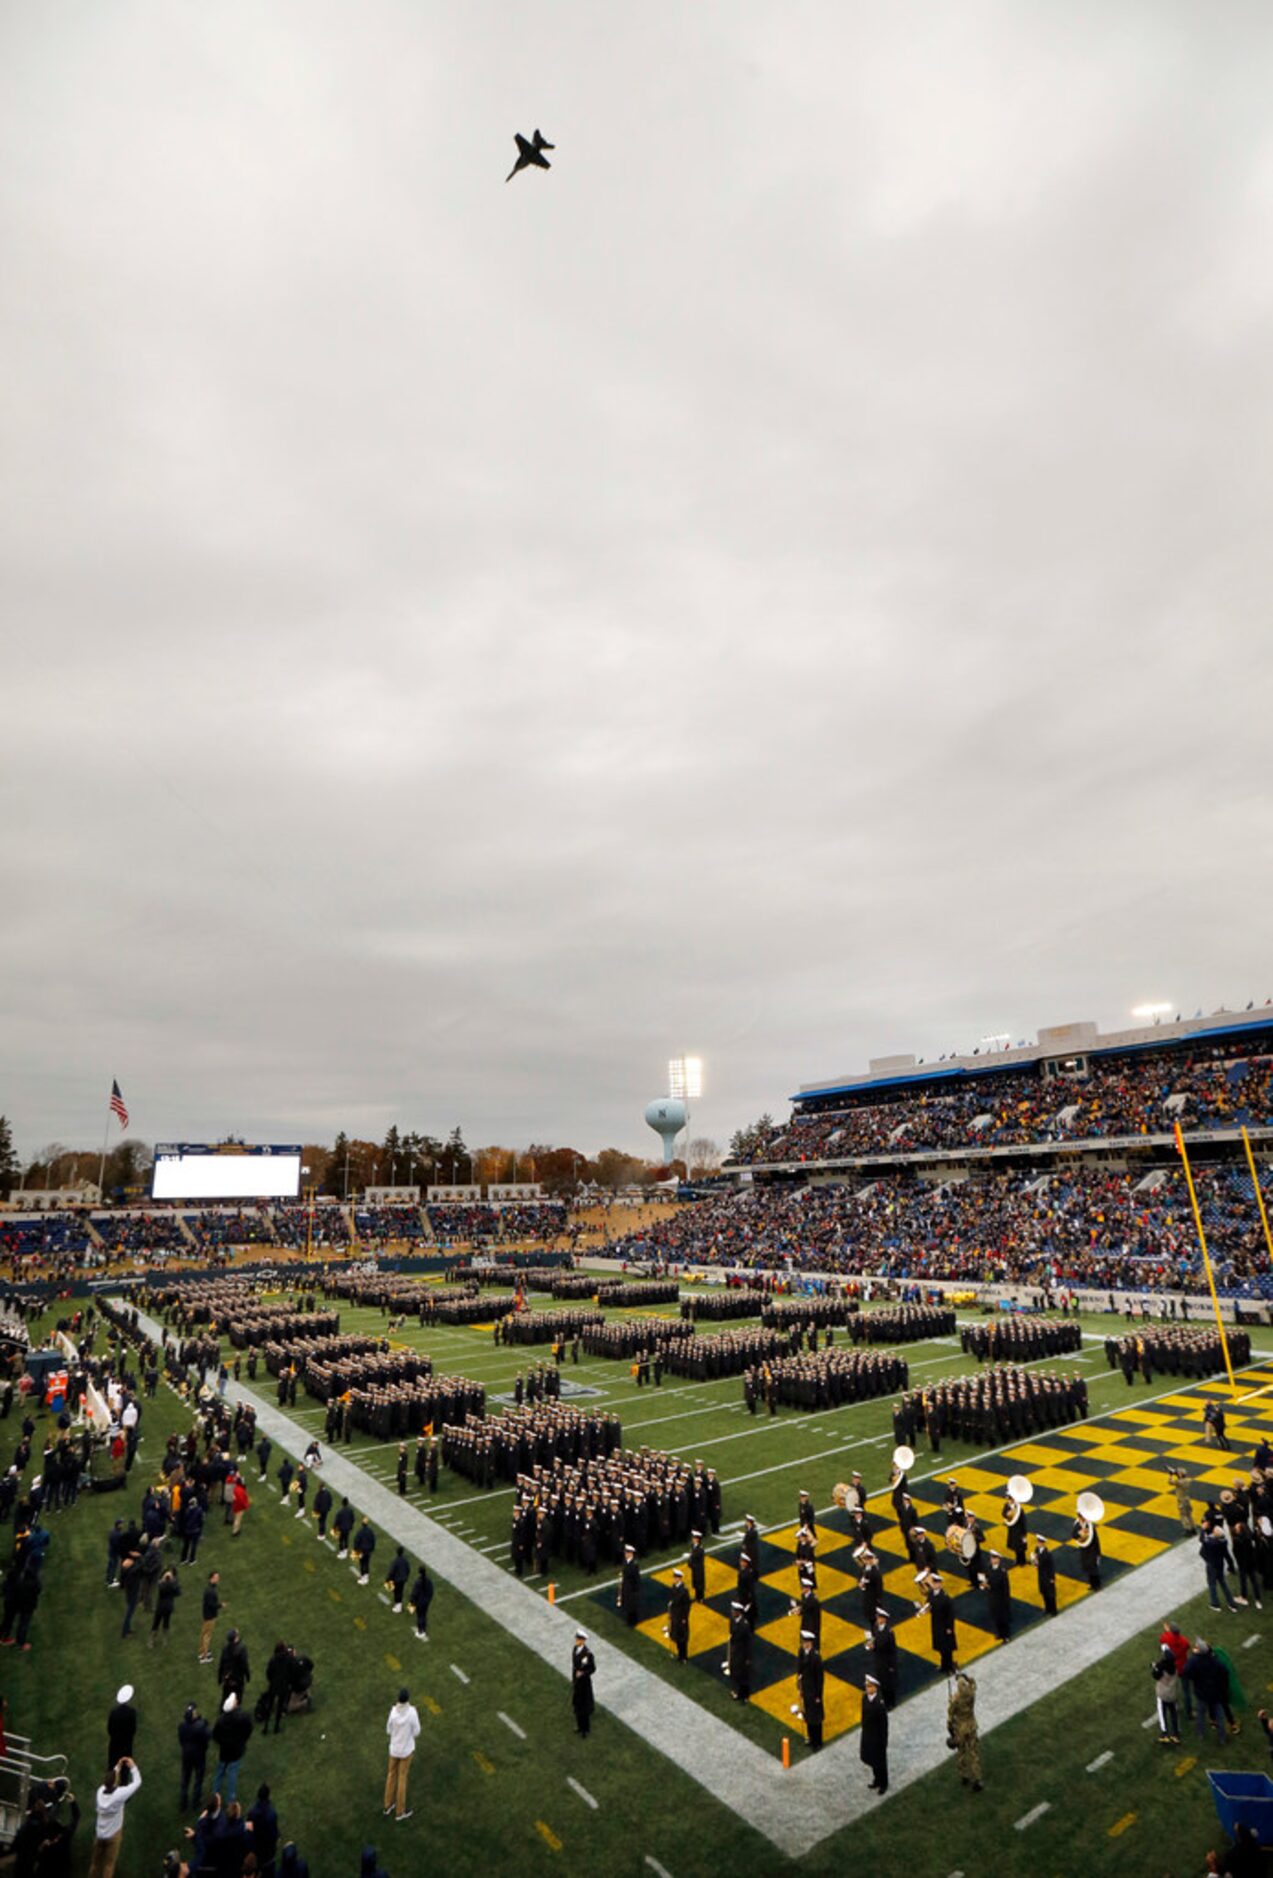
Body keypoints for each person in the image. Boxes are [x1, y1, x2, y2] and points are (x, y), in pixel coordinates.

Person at [88, 1758, 141, 1878]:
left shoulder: (100, 1792)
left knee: (95, 1864)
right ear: (115, 1782)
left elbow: (110, 1780)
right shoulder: (120, 1794)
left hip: (99, 1834)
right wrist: (133, 1767)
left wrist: (117, 1767)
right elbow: (137, 1782)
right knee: (109, 1865)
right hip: (113, 1835)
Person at [384, 1685, 420, 1822]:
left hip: (394, 1749)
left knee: (391, 1775)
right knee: (402, 1779)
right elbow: (417, 1731)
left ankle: (387, 1805)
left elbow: (388, 1730)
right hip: (406, 1750)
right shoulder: (412, 1712)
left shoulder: (393, 1712)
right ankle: (400, 1811)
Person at [211, 1692, 254, 1803]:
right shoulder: (242, 1717)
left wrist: (222, 1743)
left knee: (220, 1772)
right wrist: (243, 1740)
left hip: (224, 1751)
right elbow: (249, 1728)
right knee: (232, 1774)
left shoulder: (221, 1720)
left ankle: (215, 1795)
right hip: (236, 1751)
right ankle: (230, 1800)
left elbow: (215, 1736)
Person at [948, 1669, 982, 1789]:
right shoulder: (971, 1693)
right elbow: (973, 1683)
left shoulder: (955, 1699)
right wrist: (966, 1678)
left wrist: (951, 1732)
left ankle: (964, 1776)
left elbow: (950, 1717)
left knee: (961, 1752)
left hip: (960, 1728)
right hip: (971, 1725)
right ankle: (977, 1779)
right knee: (973, 1753)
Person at [178, 1703, 211, 1812]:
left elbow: (181, 1741)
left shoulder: (182, 1726)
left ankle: (183, 1804)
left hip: (186, 1755)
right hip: (199, 1756)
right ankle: (196, 1803)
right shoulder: (201, 1726)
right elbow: (208, 1736)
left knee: (185, 1781)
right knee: (198, 1780)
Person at [860, 1672, 889, 1793]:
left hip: (877, 1738)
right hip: (868, 1734)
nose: (867, 1688)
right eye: (866, 1686)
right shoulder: (865, 1698)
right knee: (872, 1759)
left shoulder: (879, 1703)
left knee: (880, 1762)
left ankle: (883, 1783)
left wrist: (883, 1741)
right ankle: (877, 1779)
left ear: (875, 1687)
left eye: (870, 1686)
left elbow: (884, 1725)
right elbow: (863, 1715)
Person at [796, 1631, 824, 1751]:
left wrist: (818, 1695)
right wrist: (799, 1687)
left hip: (814, 1692)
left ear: (811, 1643)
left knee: (815, 1718)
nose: (804, 1644)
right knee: (808, 1715)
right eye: (803, 1642)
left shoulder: (816, 1657)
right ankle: (811, 1738)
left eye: (806, 1642)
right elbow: (799, 1671)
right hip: (805, 1689)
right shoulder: (801, 1652)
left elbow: (820, 1678)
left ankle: (817, 1742)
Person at [247, 1783, 280, 1878]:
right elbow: (274, 1833)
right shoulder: (271, 1813)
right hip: (268, 1852)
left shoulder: (252, 1811)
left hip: (255, 1849)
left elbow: (248, 1830)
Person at [1153, 1650, 1182, 1745]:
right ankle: (1176, 1734)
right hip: (1172, 1695)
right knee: (1173, 1713)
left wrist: (1155, 1668)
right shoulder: (1174, 1669)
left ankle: (1165, 1733)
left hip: (1162, 1695)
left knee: (1162, 1713)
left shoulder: (1162, 1669)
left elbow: (1155, 1675)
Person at [571, 1629, 596, 1737]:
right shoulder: (575, 1649)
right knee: (577, 1704)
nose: (577, 1640)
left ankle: (585, 1729)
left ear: (583, 1640)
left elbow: (593, 1668)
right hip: (577, 1682)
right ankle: (579, 1726)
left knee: (584, 1707)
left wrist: (583, 1673)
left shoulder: (588, 1654)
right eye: (577, 1638)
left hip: (584, 1684)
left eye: (579, 1639)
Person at [106, 1687, 137, 1770]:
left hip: (114, 1746)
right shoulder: (132, 1712)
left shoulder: (113, 1712)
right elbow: (133, 1730)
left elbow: (109, 1729)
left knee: (113, 1769)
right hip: (126, 1746)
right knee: (124, 1771)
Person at [666, 1567, 691, 1665]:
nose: (674, 1579)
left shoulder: (684, 1591)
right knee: (676, 1636)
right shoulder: (673, 1587)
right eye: (674, 1577)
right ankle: (680, 1655)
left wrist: (684, 1618)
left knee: (682, 1638)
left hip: (681, 1617)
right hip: (674, 1616)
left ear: (680, 1578)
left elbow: (687, 1605)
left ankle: (684, 1656)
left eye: (676, 1578)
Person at [199, 1572, 223, 1665]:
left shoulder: (208, 1589)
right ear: (211, 1578)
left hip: (207, 1615)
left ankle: (202, 1651)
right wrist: (221, 1605)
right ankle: (204, 1656)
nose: (218, 1579)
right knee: (207, 1636)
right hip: (210, 1616)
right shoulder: (211, 1591)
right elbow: (212, 1605)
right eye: (216, 1577)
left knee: (204, 1633)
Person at [409, 1561, 434, 1642]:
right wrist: (428, 1599)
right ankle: (424, 1629)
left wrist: (412, 1602)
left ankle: (420, 1631)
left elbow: (414, 1593)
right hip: (426, 1601)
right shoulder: (428, 1581)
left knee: (420, 1616)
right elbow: (431, 1591)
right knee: (424, 1615)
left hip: (419, 1602)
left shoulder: (418, 1582)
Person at [617, 1544, 640, 1627]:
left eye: (627, 1553)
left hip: (631, 1587)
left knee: (632, 1604)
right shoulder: (626, 1561)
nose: (625, 1554)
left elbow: (636, 1578)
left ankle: (633, 1620)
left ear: (631, 1553)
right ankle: (629, 1618)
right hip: (626, 1585)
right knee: (627, 1602)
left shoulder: (634, 1564)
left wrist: (635, 1590)